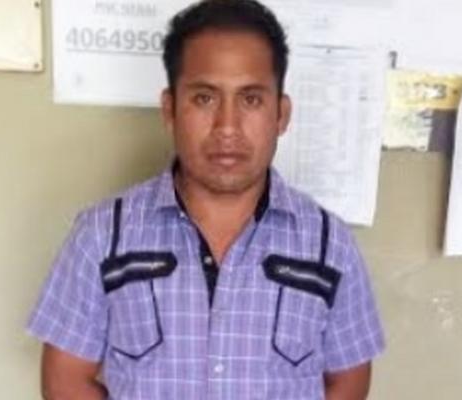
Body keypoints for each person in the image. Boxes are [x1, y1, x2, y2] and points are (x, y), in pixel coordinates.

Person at [27, 1, 385, 399]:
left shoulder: (330, 246)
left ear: (281, 115)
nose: (227, 127)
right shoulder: (101, 236)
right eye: (204, 99)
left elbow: (348, 381)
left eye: (251, 99)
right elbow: (65, 381)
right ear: (170, 110)